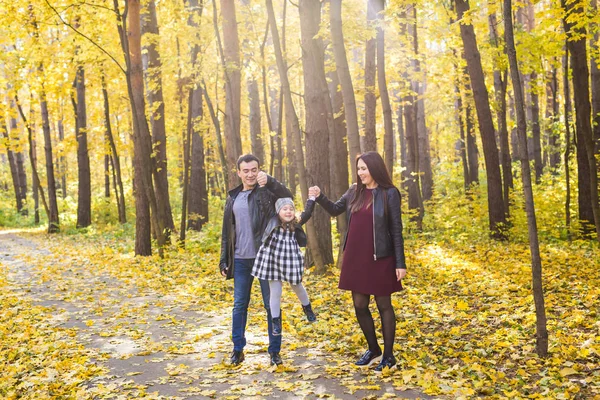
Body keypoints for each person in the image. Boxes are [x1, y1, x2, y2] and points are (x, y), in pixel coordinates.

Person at [310, 151, 407, 372]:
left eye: (364, 168)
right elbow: (335, 209)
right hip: (356, 256)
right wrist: (319, 196)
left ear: (375, 168)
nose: (360, 172)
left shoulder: (389, 193)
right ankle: (374, 349)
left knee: (384, 305)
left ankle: (389, 356)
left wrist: (400, 262)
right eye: (358, 168)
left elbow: (396, 229)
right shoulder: (355, 191)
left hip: (381, 257)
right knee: (360, 305)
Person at [219, 154, 292, 367]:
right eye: (246, 170)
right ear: (239, 172)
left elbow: (287, 196)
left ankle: (275, 352)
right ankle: (237, 349)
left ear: (259, 170)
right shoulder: (232, 197)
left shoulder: (267, 193)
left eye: (254, 170)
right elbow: (227, 232)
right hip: (241, 261)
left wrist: (270, 181)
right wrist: (224, 260)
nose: (250, 174)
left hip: (265, 260)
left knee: (272, 307)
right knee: (239, 305)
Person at [251, 196, 317, 341]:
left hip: (290, 259)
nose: (288, 212)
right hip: (273, 260)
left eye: (291, 209)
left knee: (297, 285)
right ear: (278, 211)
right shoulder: (272, 220)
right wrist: (262, 187)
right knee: (275, 292)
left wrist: (312, 199)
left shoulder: (296, 223)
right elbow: (264, 203)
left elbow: (307, 213)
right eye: (284, 209)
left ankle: (307, 308)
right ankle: (276, 321)